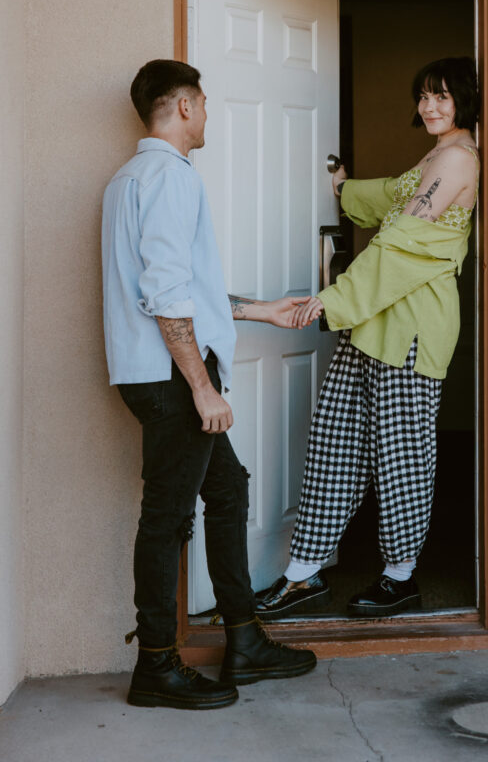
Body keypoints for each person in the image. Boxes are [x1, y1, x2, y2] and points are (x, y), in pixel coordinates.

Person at [102, 59, 316, 711]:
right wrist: (201, 386)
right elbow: (165, 294)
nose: (209, 116)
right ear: (187, 106)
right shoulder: (169, 178)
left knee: (227, 488)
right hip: (170, 377)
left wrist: (260, 311)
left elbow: (184, 289)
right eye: (207, 104)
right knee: (167, 516)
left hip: (154, 371)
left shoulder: (130, 178)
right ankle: (157, 667)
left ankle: (243, 640)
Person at [256, 57, 480, 620]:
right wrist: (342, 186)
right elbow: (391, 198)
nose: (430, 106)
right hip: (373, 320)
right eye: (425, 95)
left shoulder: (458, 157)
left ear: (467, 101)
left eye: (444, 97)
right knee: (335, 440)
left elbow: (400, 245)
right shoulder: (437, 152)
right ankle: (303, 573)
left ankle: (401, 577)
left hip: (412, 323)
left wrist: (330, 302)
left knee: (400, 454)